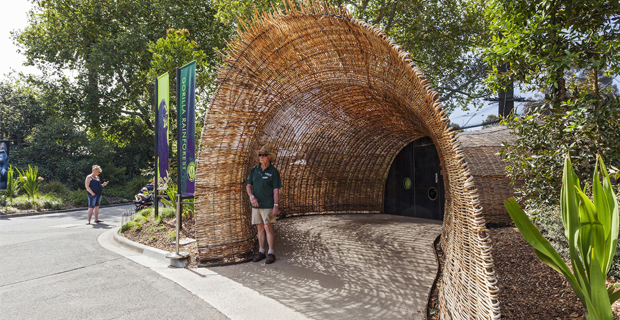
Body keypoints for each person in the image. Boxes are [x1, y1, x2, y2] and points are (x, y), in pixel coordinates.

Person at [246, 146, 282, 264]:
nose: (261, 157)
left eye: (263, 155)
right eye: (260, 155)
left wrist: (275, 205)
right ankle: (261, 251)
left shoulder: (274, 172)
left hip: (268, 205)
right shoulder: (254, 170)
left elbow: (276, 190)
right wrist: (251, 197)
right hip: (256, 205)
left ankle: (271, 252)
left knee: (268, 226)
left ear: (269, 157)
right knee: (259, 227)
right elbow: (248, 186)